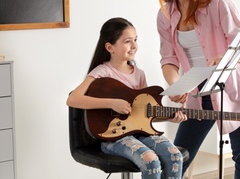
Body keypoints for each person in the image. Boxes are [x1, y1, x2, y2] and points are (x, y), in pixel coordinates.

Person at [155, 0, 240, 178]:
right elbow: (169, 58)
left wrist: (225, 58)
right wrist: (176, 86)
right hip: (197, 93)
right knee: (177, 157)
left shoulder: (217, 1)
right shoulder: (165, 15)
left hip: (235, 89)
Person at [66, 17, 187, 179]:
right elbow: (73, 99)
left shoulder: (139, 74)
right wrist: (112, 103)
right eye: (127, 41)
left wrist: (171, 118)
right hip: (113, 137)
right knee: (151, 160)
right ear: (110, 47)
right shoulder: (102, 72)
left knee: (175, 156)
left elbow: (143, 115)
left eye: (135, 40)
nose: (134, 46)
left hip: (141, 134)